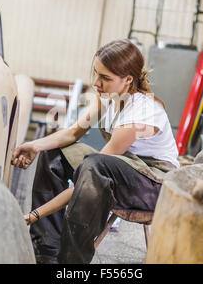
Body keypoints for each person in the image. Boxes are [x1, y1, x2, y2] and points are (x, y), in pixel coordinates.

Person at [11, 39, 180, 264]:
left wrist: (34, 214)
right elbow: (72, 134)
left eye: (105, 78)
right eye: (96, 74)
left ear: (128, 80)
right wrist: (36, 145)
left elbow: (93, 174)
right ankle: (46, 251)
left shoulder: (141, 112)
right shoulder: (108, 98)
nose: (96, 84)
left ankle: (72, 264)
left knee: (93, 166)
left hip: (154, 187)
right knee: (55, 152)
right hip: (121, 169)